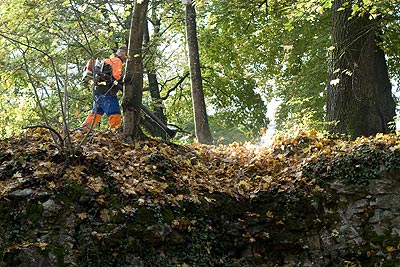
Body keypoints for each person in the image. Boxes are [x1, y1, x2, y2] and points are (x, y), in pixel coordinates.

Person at [78, 46, 128, 132]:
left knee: (96, 113)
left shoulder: (107, 61)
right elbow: (116, 76)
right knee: (114, 112)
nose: (126, 57)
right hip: (106, 92)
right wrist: (123, 83)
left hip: (98, 90)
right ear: (122, 53)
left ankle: (83, 130)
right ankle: (114, 132)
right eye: (126, 54)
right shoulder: (117, 61)